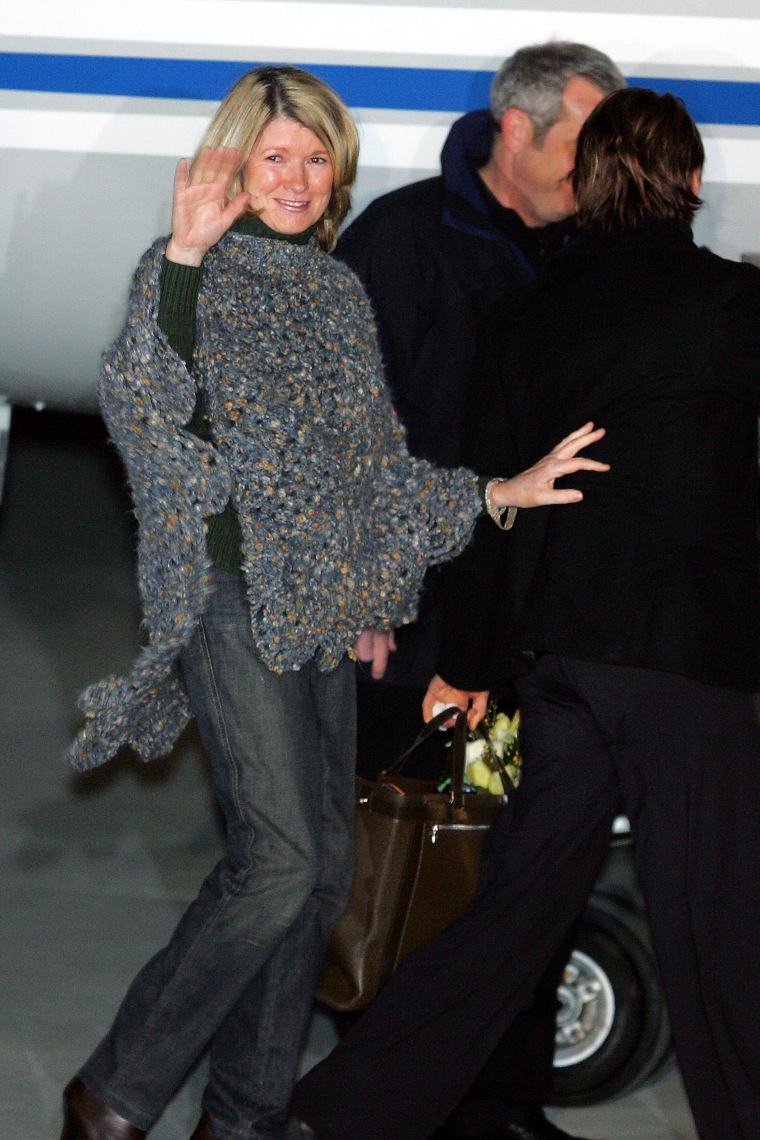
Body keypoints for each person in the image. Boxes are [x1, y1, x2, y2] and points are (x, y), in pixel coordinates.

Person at [58, 66, 607, 1140]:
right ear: (234, 162)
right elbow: (142, 405)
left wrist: (498, 492)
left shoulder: (333, 291)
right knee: (282, 862)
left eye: (317, 157)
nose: (300, 177)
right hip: (225, 598)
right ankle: (114, 1093)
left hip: (318, 604)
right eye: (277, 156)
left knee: (321, 882)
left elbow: (371, 473)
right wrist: (178, 258)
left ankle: (247, 1117)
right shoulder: (189, 275)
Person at [294, 88, 760, 1140]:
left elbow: (489, 499)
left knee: (509, 912)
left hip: (550, 667)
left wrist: (468, 664)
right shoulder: (729, 307)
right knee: (717, 927)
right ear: (689, 183)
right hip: (680, 666)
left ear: (586, 185)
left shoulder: (524, 311)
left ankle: (347, 1106)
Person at [335, 42, 625, 1140]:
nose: (592, 174)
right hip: (416, 626)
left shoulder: (584, 251)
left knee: (511, 868)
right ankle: (387, 1103)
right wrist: (365, 590)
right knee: (412, 861)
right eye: (578, 147)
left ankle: (500, 1102)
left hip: (519, 634)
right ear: (515, 129)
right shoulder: (404, 246)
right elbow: (341, 437)